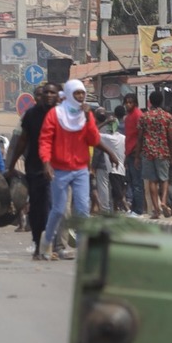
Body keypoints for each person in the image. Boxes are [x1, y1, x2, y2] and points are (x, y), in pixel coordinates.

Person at [38, 79, 117, 260]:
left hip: (81, 169)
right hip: (59, 169)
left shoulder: (86, 115)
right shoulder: (55, 114)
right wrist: (46, 162)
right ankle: (47, 240)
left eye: (82, 93)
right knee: (58, 209)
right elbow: (45, 140)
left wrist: (89, 118)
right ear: (69, 93)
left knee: (83, 208)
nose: (81, 96)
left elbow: (93, 139)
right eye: (77, 93)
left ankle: (83, 247)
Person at [7, 84, 60, 259]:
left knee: (57, 208)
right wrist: (12, 164)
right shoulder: (31, 115)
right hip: (36, 169)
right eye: (44, 93)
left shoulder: (63, 114)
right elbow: (22, 141)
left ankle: (55, 245)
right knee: (39, 209)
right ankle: (39, 244)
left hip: (60, 168)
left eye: (52, 92)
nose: (47, 96)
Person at [137, 90, 172, 219]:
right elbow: (171, 137)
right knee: (164, 179)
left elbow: (140, 137)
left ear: (150, 101)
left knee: (152, 181)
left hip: (148, 152)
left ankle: (156, 209)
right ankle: (164, 201)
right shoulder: (168, 116)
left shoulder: (144, 117)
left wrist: (137, 156)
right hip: (163, 151)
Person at [122, 93, 145, 214]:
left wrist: (137, 156)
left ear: (135, 103)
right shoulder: (128, 117)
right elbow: (129, 137)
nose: (128, 104)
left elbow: (140, 136)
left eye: (130, 102)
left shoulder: (138, 115)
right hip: (129, 153)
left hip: (136, 154)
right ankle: (134, 209)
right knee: (131, 181)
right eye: (126, 102)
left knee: (137, 183)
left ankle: (139, 210)